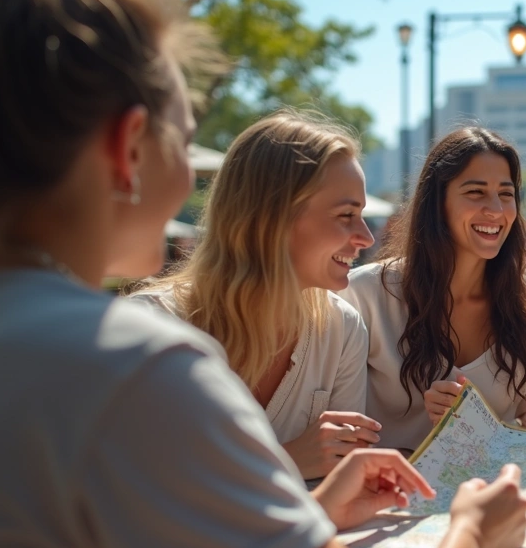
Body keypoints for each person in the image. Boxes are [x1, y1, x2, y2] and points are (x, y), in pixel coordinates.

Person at [0, 0, 526, 548]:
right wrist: (473, 535)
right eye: (182, 137)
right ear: (128, 147)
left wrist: (310, 512)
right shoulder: (137, 361)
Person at [131, 109, 380, 480]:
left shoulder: (342, 330)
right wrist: (287, 461)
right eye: (346, 215)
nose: (367, 237)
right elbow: (140, 493)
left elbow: (338, 484)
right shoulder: (150, 327)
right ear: (273, 217)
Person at [340, 127, 526, 454]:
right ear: (437, 203)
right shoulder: (365, 293)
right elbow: (335, 420)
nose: (495, 209)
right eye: (476, 192)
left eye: (506, 194)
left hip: (491, 494)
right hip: (386, 496)